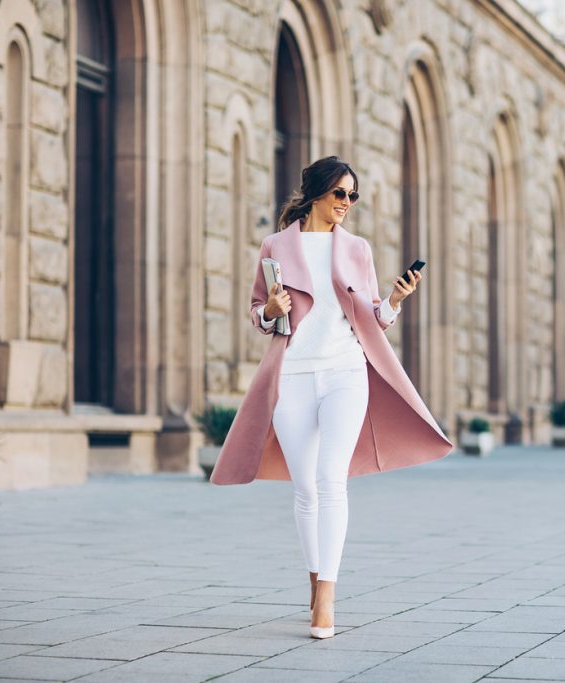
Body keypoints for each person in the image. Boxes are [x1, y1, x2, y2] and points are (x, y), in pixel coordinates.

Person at [209, 156, 455, 639]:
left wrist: (396, 301)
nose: (347, 204)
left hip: (346, 372)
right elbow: (258, 312)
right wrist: (271, 309)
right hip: (294, 375)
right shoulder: (276, 245)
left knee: (331, 480)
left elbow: (370, 316)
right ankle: (314, 579)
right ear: (317, 193)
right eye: (340, 194)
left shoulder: (358, 249)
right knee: (305, 489)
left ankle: (327, 595)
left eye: (353, 196)